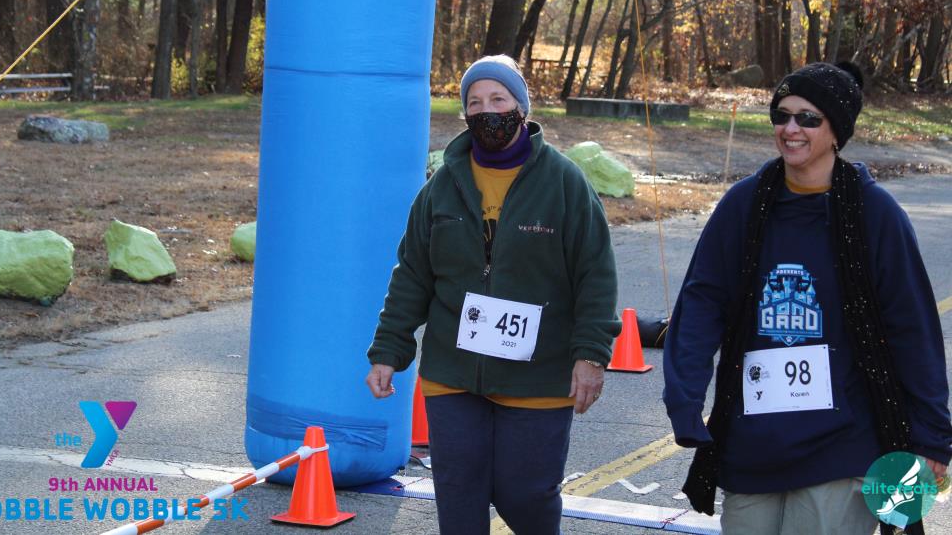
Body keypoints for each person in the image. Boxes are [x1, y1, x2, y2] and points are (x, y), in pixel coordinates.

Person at [662, 61, 952, 535]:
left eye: (808, 118)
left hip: (842, 445)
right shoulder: (744, 204)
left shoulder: (875, 214)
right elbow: (702, 302)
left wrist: (932, 435)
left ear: (837, 130)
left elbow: (913, 330)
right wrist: (684, 396)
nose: (791, 128)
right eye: (782, 115)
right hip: (753, 443)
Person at [366, 54, 619, 534]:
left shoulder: (565, 182)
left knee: (527, 494)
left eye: (498, 99)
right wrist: (388, 350)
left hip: (538, 374)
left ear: (521, 107)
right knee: (458, 494)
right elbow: (413, 274)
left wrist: (591, 353)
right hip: (453, 372)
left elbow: (596, 275)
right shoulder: (442, 186)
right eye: (475, 102)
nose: (487, 111)